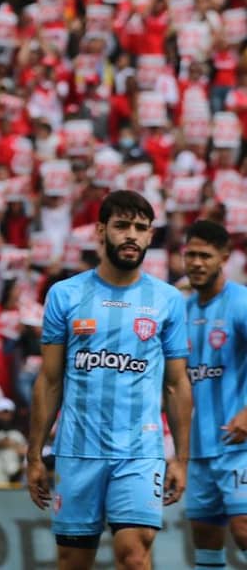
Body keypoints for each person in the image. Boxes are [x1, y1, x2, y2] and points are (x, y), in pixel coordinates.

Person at [27, 190, 192, 570]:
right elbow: (49, 381)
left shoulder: (167, 300)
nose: (131, 235)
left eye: (141, 228)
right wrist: (34, 454)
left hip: (140, 452)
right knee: (71, 561)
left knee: (134, 555)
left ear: (151, 236)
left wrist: (181, 459)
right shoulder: (65, 295)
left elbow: (176, 384)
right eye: (121, 226)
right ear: (101, 231)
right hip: (76, 452)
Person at [182, 220, 247, 570]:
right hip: (200, 448)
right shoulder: (182, 310)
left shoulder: (241, 302)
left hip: (241, 446)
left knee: (243, 529)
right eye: (190, 254)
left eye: (205, 255)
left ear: (223, 256)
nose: (196, 262)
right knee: (205, 538)